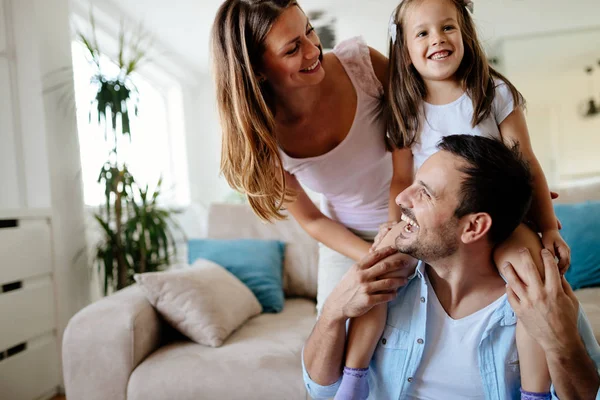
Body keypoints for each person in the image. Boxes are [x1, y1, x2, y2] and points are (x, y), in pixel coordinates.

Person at [340, 1, 570, 398]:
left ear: (464, 32)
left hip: (502, 221)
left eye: (447, 27)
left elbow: (527, 163)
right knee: (381, 269)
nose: (437, 40)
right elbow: (400, 179)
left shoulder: (492, 93)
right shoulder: (405, 107)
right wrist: (396, 224)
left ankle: (535, 392)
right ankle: (353, 381)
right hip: (434, 220)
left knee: (528, 277)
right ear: (405, 51)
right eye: (423, 33)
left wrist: (547, 227)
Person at [303, 134, 600, 399]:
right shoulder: (385, 279)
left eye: (425, 193)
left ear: (473, 227)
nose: (401, 198)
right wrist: (332, 313)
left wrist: (560, 341)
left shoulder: (539, 297)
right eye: (414, 183)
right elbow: (320, 390)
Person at [211, 0, 413, 315]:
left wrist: (394, 230)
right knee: (330, 336)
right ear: (258, 70)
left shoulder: (362, 65)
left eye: (309, 32)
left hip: (412, 215)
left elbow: (415, 128)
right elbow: (312, 219)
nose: (313, 50)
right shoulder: (264, 140)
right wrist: (373, 255)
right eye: (292, 50)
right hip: (346, 239)